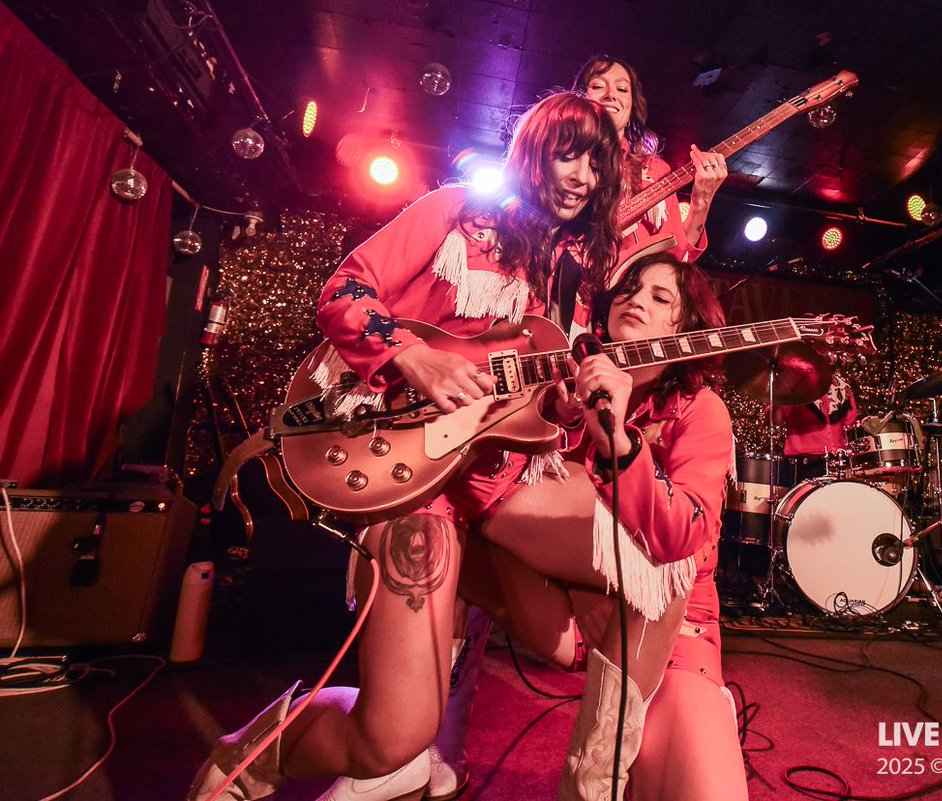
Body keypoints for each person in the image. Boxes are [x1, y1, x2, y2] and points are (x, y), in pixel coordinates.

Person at [184, 90, 625, 801]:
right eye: (569, 153)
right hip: (410, 477)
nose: (581, 176)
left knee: (640, 556)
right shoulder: (455, 209)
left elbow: (534, 409)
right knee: (395, 732)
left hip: (495, 485)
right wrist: (409, 356)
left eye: (597, 165)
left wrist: (567, 408)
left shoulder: (564, 278)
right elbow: (343, 292)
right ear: (535, 150)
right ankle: (254, 757)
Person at [465, 252, 749, 800]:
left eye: (661, 298)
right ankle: (422, 750)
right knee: (442, 525)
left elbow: (680, 544)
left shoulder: (701, 410)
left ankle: (593, 782)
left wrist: (617, 444)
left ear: (684, 328)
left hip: (678, 632)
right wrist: (560, 418)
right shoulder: (556, 389)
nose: (636, 299)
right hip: (568, 614)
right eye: (629, 287)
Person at [575, 55, 728, 282]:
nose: (611, 95)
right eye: (598, 86)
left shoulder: (654, 171)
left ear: (630, 109)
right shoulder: (559, 161)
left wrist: (701, 204)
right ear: (578, 101)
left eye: (622, 89)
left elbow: (676, 260)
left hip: (622, 302)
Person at [772, 370, 858, 480]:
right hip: (807, 464)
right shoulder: (794, 389)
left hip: (839, 461)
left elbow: (849, 423)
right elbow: (776, 420)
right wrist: (777, 396)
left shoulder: (842, 388)